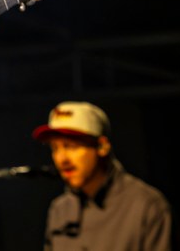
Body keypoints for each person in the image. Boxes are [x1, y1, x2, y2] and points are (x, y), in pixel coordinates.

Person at [32, 101, 172, 251]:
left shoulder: (147, 205)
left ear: (102, 146)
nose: (62, 158)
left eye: (71, 146)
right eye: (55, 148)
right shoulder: (59, 210)